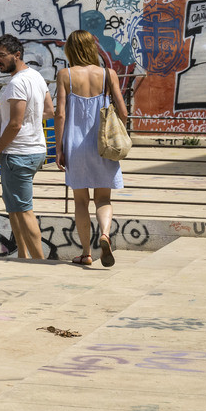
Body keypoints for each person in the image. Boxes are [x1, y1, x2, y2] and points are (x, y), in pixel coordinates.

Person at [55, 29, 128, 268]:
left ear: (70, 50)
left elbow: (61, 114)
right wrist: (119, 133)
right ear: (92, 48)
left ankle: (86, 253)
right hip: (103, 144)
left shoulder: (65, 75)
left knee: (80, 201)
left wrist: (58, 148)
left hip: (75, 145)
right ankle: (105, 234)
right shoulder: (109, 74)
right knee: (103, 198)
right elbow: (123, 111)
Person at [0, 35, 52, 260]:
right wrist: (31, 117)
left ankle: (40, 262)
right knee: (14, 207)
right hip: (35, 149)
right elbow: (49, 111)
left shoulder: (17, 83)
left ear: (17, 55)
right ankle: (22, 255)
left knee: (24, 210)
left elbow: (14, 124)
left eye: (2, 56)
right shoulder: (37, 77)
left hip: (19, 153)